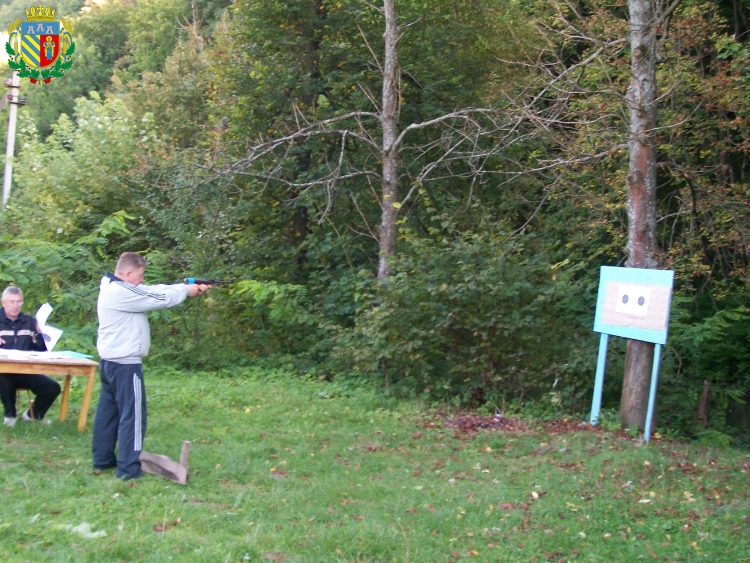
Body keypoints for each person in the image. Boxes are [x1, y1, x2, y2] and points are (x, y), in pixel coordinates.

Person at [92, 252, 210, 480]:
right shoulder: (120, 292)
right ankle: (128, 469)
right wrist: (185, 291)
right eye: (140, 275)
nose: (142, 279)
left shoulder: (114, 287)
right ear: (127, 273)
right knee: (133, 417)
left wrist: (184, 287)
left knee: (108, 414)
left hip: (111, 363)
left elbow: (151, 290)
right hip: (125, 365)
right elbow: (158, 298)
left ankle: (103, 460)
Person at [0, 286, 61, 426]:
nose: (15, 306)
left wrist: (41, 333)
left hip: (25, 371)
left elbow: (40, 350)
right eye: (11, 302)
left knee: (52, 387)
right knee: (4, 380)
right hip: (2, 371)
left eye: (18, 302)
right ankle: (10, 416)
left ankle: (33, 415)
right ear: (3, 303)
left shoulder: (29, 321)